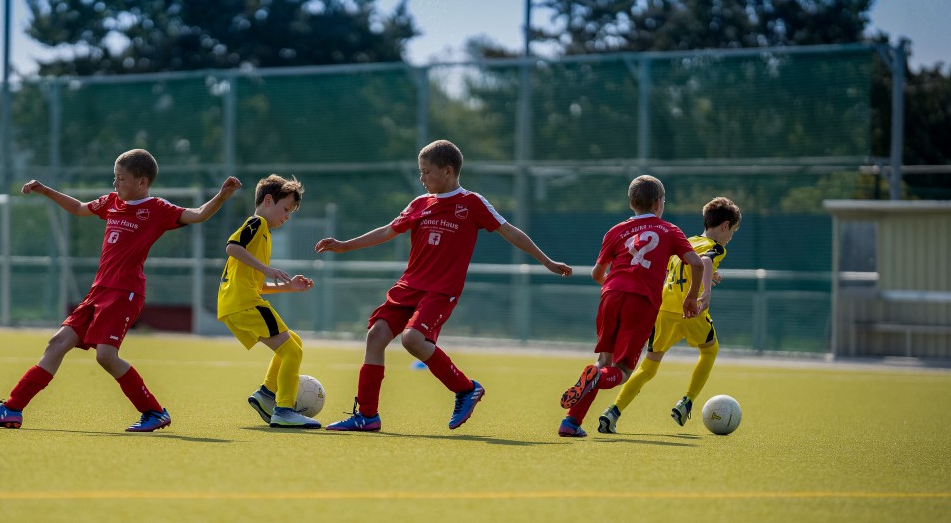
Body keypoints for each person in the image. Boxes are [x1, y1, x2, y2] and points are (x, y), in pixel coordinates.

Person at [0, 149, 241, 432]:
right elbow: (78, 208)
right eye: (115, 178)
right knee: (57, 344)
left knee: (106, 356)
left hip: (125, 292)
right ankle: (12, 409)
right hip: (98, 291)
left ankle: (155, 412)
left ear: (142, 182)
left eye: (121, 179)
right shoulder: (111, 202)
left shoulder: (157, 209)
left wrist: (221, 197)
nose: (115, 184)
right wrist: (46, 190)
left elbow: (196, 214)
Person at [315, 139, 572, 432]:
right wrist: (346, 246)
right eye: (420, 172)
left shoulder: (471, 203)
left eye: (426, 172)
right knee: (375, 337)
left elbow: (510, 232)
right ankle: (367, 416)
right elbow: (389, 230)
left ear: (447, 171)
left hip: (440, 290)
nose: (421, 178)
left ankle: (465, 388)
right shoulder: (420, 204)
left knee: (411, 340)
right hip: (408, 286)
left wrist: (546, 261)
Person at [557, 174, 704, 438]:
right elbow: (695, 262)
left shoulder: (616, 230)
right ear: (659, 203)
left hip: (611, 295)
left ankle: (570, 423)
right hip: (642, 300)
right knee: (622, 372)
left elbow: (596, 273)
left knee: (603, 361)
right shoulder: (669, 230)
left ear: (631, 203)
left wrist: (611, 285)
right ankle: (595, 381)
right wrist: (691, 297)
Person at [597, 197, 741, 433]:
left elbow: (677, 264)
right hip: (690, 309)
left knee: (648, 368)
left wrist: (709, 273)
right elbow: (704, 261)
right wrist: (705, 293)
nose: (730, 237)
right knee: (710, 351)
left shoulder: (688, 240)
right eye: (732, 231)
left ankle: (613, 411)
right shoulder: (716, 248)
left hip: (664, 309)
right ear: (725, 226)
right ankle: (687, 401)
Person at [220, 174, 319, 428]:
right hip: (244, 303)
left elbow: (256, 284)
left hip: (238, 303)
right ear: (268, 200)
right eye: (285, 209)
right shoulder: (257, 223)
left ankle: (266, 395)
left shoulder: (263, 233)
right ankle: (284, 409)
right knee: (292, 351)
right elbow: (232, 246)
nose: (287, 216)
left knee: (293, 342)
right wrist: (267, 268)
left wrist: (289, 287)